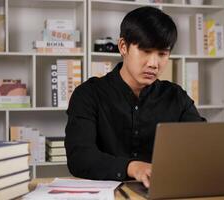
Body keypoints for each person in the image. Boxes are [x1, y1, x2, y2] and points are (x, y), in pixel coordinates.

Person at [65, 6, 205, 188]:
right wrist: (132, 168)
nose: (154, 64)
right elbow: (80, 158)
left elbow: (203, 145)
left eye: (162, 54)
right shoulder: (88, 94)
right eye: (146, 51)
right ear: (123, 47)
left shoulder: (176, 97)